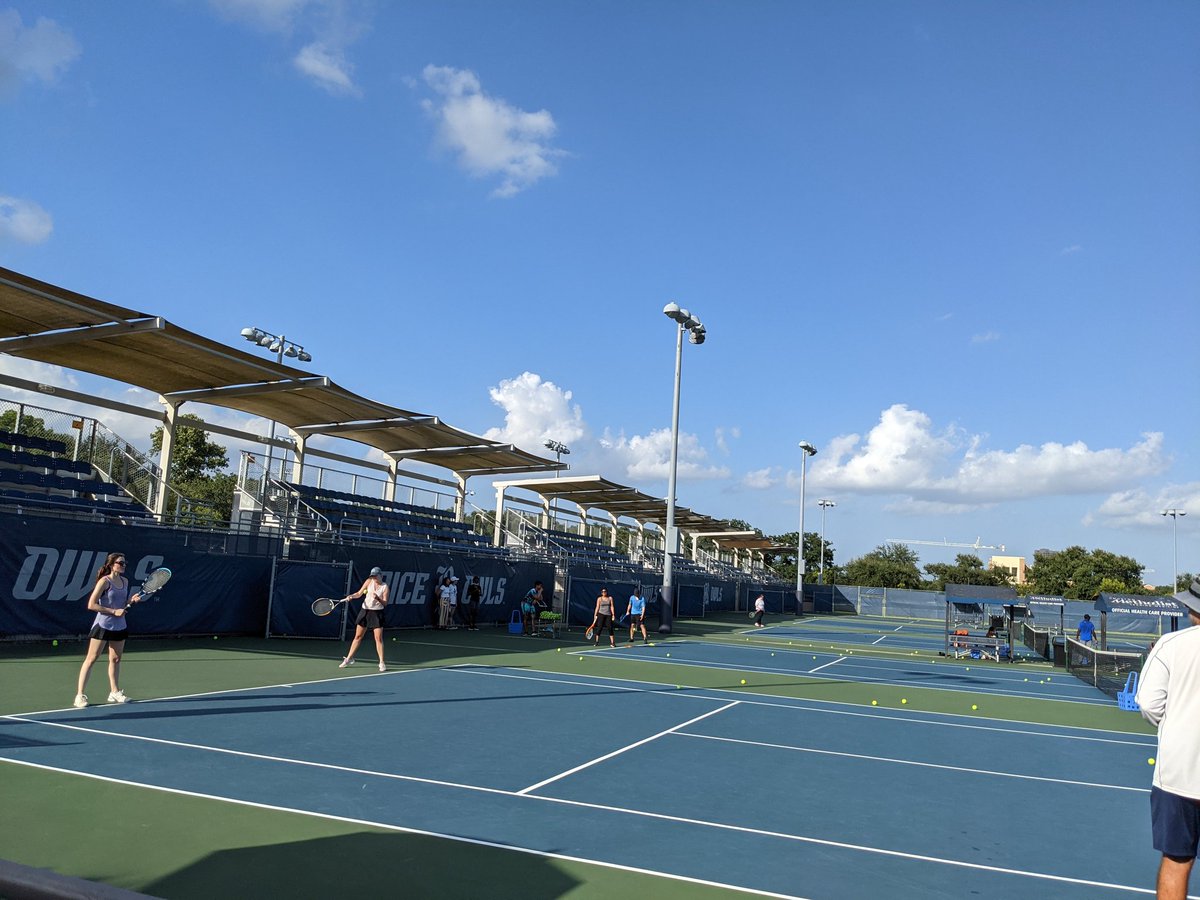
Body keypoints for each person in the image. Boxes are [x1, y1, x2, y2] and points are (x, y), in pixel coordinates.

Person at [1136, 576, 1200, 900]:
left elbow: (1147, 703)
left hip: (1177, 777)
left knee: (1176, 861)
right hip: (1177, 778)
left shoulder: (1170, 645)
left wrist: (1174, 726)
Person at [74, 552, 144, 708]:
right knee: (91, 659)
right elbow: (91, 605)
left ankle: (114, 692)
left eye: (125, 563)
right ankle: (80, 695)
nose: (124, 565)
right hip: (103, 625)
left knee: (116, 659)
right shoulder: (104, 582)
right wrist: (113, 612)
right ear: (112, 564)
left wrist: (132, 601)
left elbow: (122, 603)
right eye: (121, 563)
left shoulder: (125, 581)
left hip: (120, 625)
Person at [339, 566, 389, 671]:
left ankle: (381, 662)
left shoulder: (385, 587)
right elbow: (359, 593)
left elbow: (385, 603)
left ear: (380, 575)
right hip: (365, 611)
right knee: (358, 636)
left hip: (377, 613)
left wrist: (378, 598)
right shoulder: (368, 581)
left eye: (375, 576)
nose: (374, 578)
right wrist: (351, 596)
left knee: (378, 639)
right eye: (372, 576)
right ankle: (349, 658)